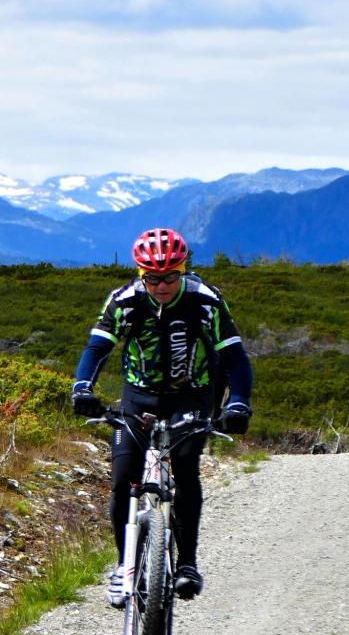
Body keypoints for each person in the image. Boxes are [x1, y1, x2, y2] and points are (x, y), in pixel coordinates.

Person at [71, 228, 252, 607]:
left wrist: (237, 403)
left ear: (184, 270)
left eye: (171, 276)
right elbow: (97, 347)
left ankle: (187, 563)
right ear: (140, 274)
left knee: (185, 469)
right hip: (139, 395)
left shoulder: (205, 300)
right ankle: (124, 564)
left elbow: (235, 358)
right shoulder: (124, 301)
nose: (163, 285)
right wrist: (82, 388)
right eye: (152, 278)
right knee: (123, 479)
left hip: (192, 394)